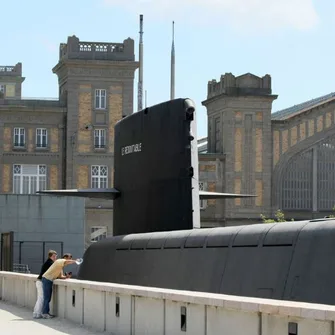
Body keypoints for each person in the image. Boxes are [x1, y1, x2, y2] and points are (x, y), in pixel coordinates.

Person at [41, 253, 78, 319]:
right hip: (47, 279)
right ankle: (45, 313)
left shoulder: (60, 266)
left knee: (48, 298)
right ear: (65, 258)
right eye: (70, 258)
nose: (71, 260)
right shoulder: (60, 261)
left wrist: (66, 277)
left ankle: (45, 313)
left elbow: (60, 276)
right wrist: (76, 261)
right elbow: (67, 261)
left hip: (48, 280)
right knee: (47, 298)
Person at [33, 250, 57, 319]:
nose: (55, 257)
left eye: (56, 256)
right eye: (54, 256)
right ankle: (38, 313)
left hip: (39, 281)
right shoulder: (50, 263)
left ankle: (37, 313)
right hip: (41, 282)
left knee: (40, 298)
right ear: (50, 256)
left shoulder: (48, 262)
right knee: (42, 298)